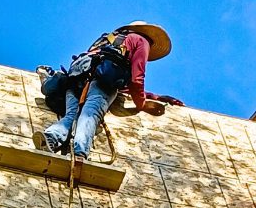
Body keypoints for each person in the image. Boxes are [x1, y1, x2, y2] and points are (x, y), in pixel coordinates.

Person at [39, 21, 176, 160]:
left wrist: (154, 96)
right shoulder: (142, 41)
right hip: (102, 82)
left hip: (76, 78)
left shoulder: (110, 39)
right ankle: (79, 154)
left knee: (72, 115)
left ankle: (50, 137)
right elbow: (137, 79)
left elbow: (124, 85)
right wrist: (141, 104)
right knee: (90, 115)